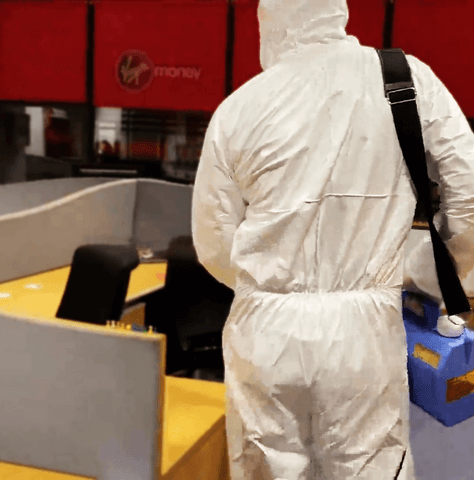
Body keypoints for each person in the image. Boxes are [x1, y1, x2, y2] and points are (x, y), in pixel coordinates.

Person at [191, 0, 474, 478]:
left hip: (264, 334)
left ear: (267, 23)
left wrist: (268, 287)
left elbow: (213, 242)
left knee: (267, 467)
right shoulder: (404, 80)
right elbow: (468, 194)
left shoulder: (238, 108)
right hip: (363, 334)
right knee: (371, 465)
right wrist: (438, 275)